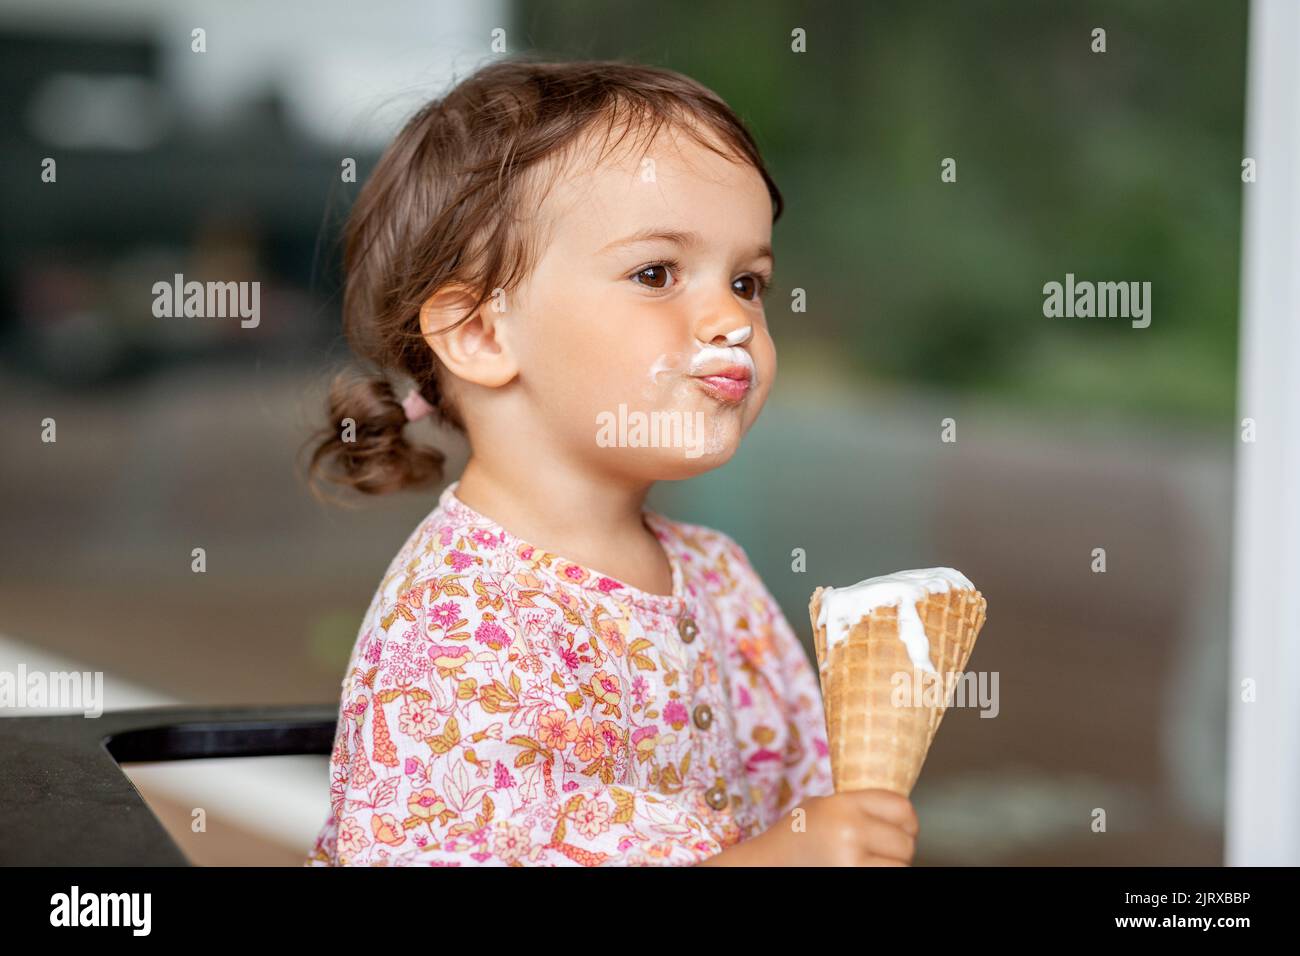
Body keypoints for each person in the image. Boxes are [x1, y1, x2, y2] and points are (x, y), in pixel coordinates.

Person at [302, 59, 918, 866]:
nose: (731, 318)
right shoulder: (453, 632)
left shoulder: (721, 579)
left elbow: (800, 798)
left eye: (748, 280)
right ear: (483, 334)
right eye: (656, 273)